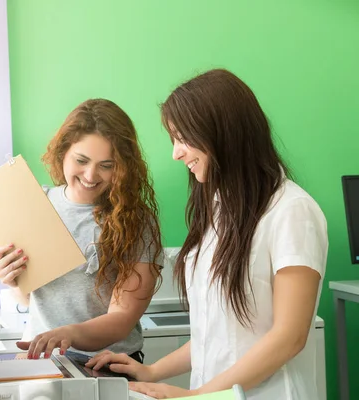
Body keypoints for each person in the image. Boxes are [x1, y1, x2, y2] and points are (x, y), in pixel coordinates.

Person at [86, 69, 328, 400]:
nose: (176, 153)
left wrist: (196, 395)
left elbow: (289, 336)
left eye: (183, 139)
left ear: (222, 133)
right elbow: (217, 334)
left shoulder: (291, 211)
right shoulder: (220, 211)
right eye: (173, 140)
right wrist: (152, 370)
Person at [0, 98, 164, 362]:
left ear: (123, 167)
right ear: (63, 152)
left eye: (107, 165)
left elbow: (121, 319)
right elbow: (30, 300)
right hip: (42, 361)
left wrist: (68, 334)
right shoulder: (36, 205)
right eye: (81, 160)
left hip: (107, 364)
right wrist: (12, 280)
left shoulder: (137, 221)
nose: (91, 175)